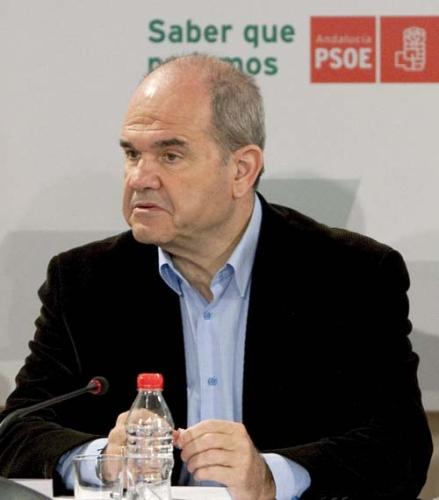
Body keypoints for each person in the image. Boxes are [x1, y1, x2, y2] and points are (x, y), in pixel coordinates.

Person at [0, 54, 433, 499]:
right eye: (132, 154)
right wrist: (101, 461)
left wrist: (271, 478)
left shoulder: (351, 275)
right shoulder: (84, 282)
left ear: (241, 170)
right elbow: (15, 432)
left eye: (170, 155)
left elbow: (400, 448)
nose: (140, 178)